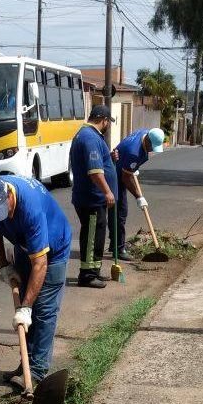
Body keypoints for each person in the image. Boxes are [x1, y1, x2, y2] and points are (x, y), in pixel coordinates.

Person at [0, 174, 72, 388]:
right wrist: (5, 266)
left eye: (3, 211)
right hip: (23, 246)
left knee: (42, 311)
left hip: (53, 251)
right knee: (25, 310)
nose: (1, 219)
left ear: (9, 194)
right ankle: (26, 366)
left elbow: (40, 264)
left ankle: (36, 373)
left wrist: (26, 308)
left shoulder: (30, 207)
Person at [70, 104, 118, 288]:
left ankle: (94, 271)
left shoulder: (88, 135)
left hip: (93, 198)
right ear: (104, 120)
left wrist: (110, 158)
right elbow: (95, 171)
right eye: (108, 122)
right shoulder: (90, 138)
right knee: (91, 237)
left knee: (97, 235)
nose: (108, 125)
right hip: (91, 198)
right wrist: (107, 191)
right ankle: (87, 275)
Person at [108, 127, 165, 260]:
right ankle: (119, 249)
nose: (152, 151)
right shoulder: (134, 153)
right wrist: (139, 197)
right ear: (148, 141)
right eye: (152, 147)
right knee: (119, 213)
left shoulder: (144, 132)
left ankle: (114, 244)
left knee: (116, 213)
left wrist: (133, 168)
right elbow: (125, 178)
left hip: (121, 166)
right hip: (115, 176)